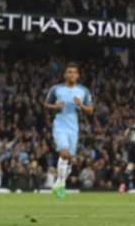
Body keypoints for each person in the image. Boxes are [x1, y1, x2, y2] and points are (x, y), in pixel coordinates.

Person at [43, 63, 94, 200]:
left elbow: (90, 110)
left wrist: (80, 105)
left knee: (70, 159)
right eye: (69, 72)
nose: (71, 74)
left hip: (74, 126)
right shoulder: (56, 89)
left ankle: (58, 182)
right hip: (60, 123)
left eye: (74, 72)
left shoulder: (83, 91)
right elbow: (45, 105)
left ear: (77, 75)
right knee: (64, 153)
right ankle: (61, 186)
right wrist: (56, 106)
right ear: (65, 75)